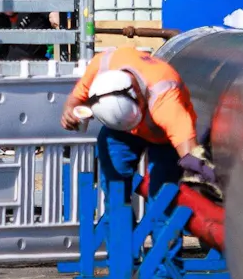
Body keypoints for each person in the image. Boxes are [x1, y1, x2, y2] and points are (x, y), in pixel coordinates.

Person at [61, 45, 215, 199]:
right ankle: (118, 219)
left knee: (163, 197)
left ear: (139, 98)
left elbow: (190, 154)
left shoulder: (166, 100)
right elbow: (76, 98)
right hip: (119, 132)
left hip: (163, 139)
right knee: (115, 189)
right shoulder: (102, 65)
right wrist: (70, 112)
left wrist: (210, 178)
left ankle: (160, 220)